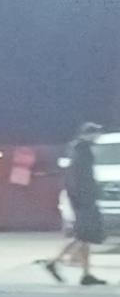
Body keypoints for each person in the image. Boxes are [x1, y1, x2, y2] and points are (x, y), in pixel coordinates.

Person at [44, 122, 106, 286]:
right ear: (87, 134)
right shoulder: (82, 151)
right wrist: (84, 197)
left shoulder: (78, 149)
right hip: (84, 199)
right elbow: (79, 178)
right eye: (95, 133)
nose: (97, 137)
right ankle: (54, 263)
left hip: (82, 198)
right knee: (84, 235)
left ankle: (86, 274)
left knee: (84, 237)